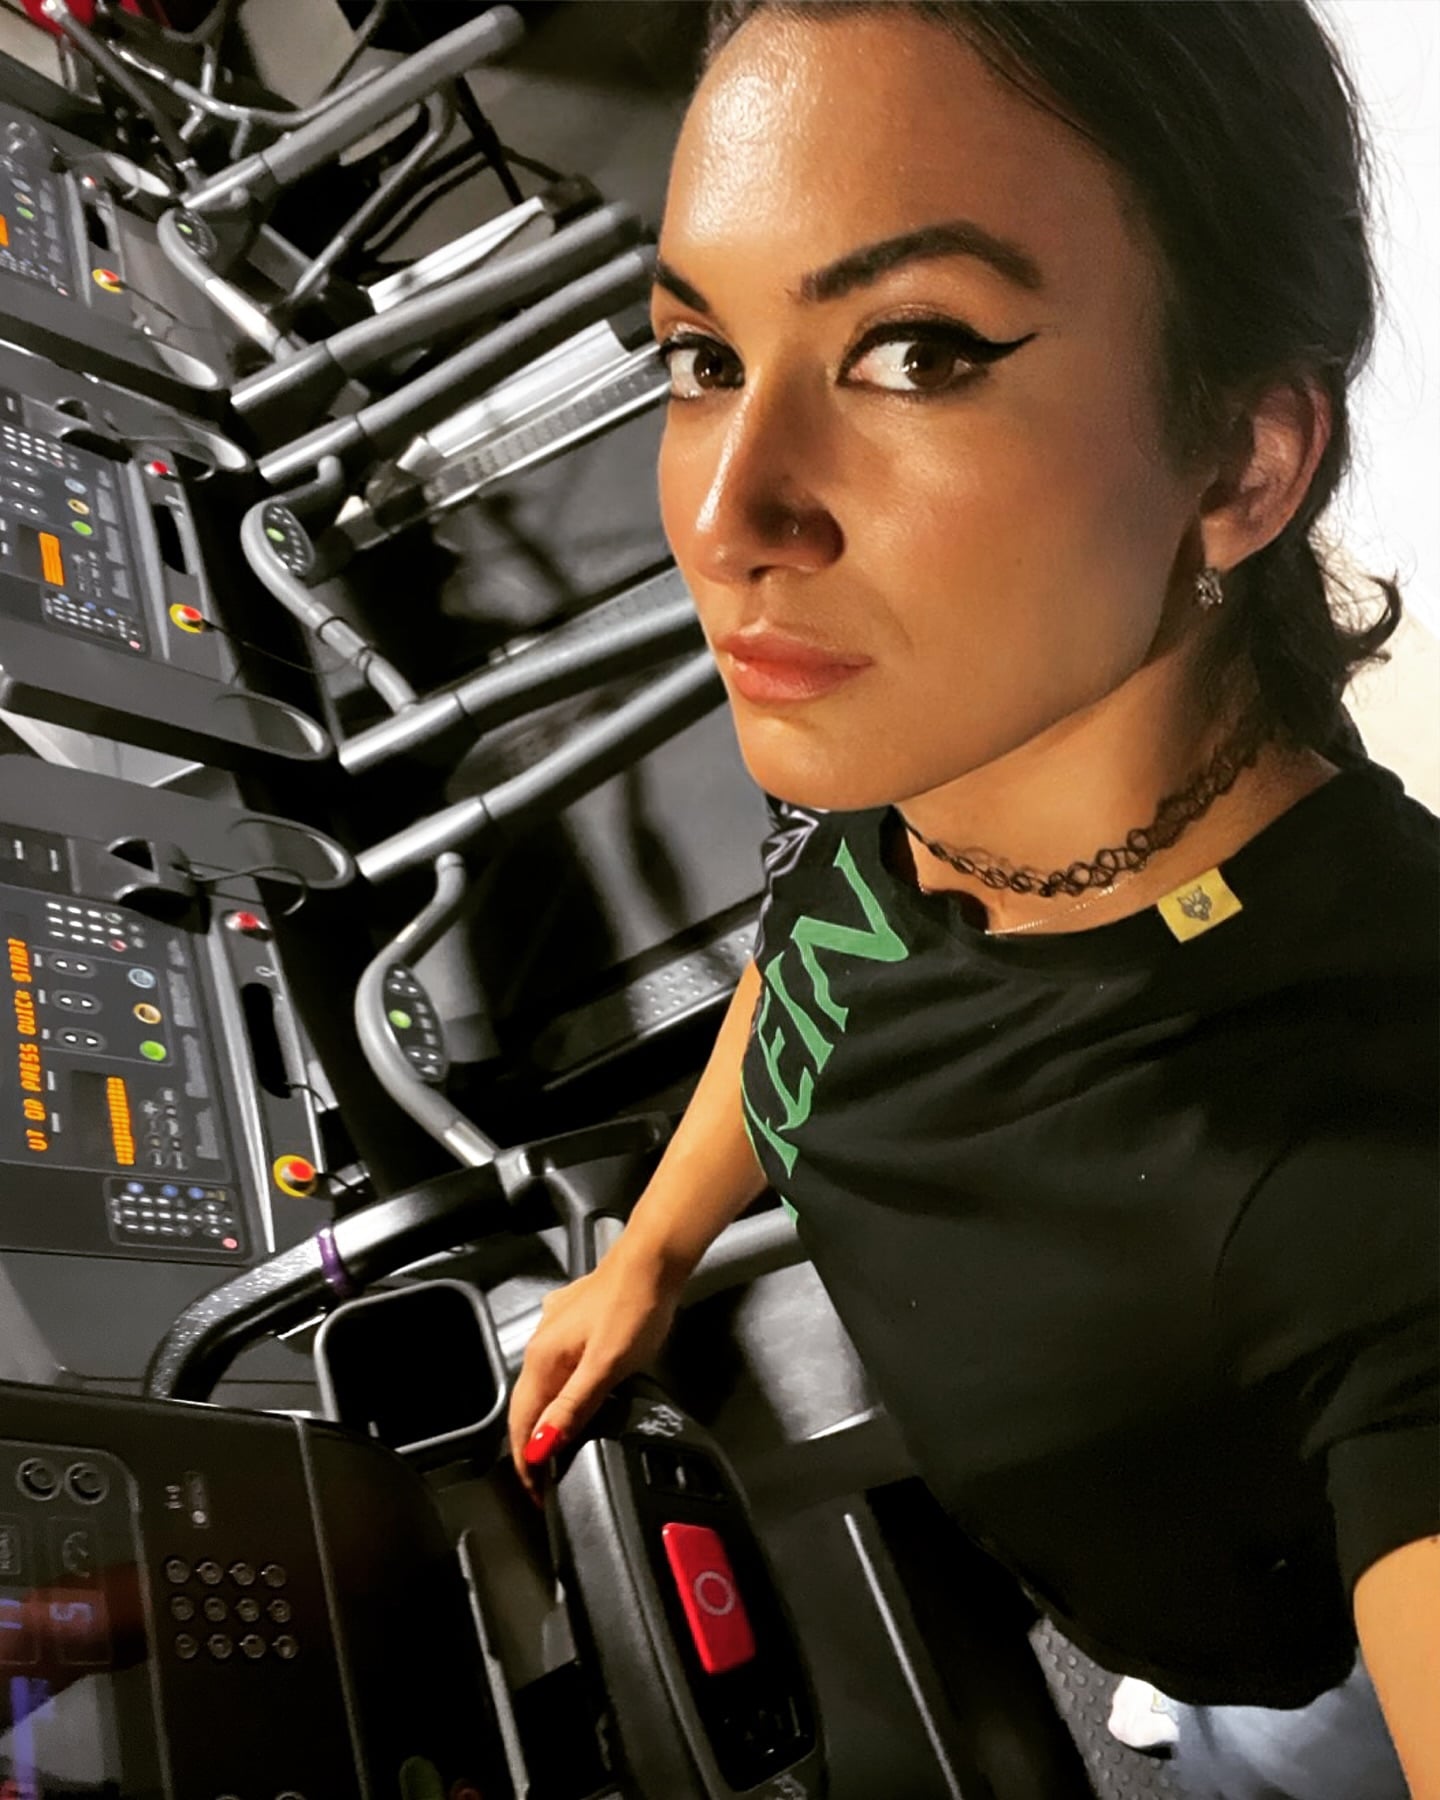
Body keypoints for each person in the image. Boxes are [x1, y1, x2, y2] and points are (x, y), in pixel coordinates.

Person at [508, 4, 1440, 1795]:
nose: (728, 514)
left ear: (1241, 463)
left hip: (1311, 1673)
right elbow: (811, 970)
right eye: (703, 355)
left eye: (917, 351)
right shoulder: (929, 764)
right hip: (1117, 1556)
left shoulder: (1376, 1131)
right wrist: (652, 1248)